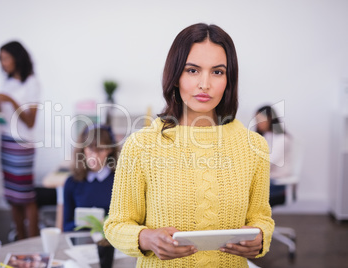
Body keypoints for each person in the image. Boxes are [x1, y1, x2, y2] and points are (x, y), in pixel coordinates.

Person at [104, 23, 275, 267]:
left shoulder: (253, 146)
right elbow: (116, 225)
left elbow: (261, 217)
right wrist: (145, 238)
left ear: (229, 79)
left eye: (217, 72)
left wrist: (260, 238)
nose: (205, 84)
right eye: (193, 70)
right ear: (175, 76)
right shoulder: (141, 145)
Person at [0, 41, 41, 240]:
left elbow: (30, 121)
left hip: (22, 144)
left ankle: (32, 240)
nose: (3, 63)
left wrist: (11, 100)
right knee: (13, 197)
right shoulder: (7, 82)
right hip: (6, 142)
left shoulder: (31, 83)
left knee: (26, 196)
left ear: (17, 57)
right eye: (0, 59)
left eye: (6, 58)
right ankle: (20, 240)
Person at [63, 124, 117, 232]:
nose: (95, 156)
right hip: (80, 242)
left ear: (110, 150)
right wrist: (87, 223)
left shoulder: (119, 181)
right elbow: (66, 226)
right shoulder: (72, 182)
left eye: (100, 150)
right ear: (83, 149)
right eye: (90, 149)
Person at [255, 105, 293, 207]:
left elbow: (267, 162)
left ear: (270, 119)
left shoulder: (282, 139)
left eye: (261, 119)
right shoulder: (264, 137)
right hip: (267, 181)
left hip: (276, 183)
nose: (258, 123)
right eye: (256, 120)